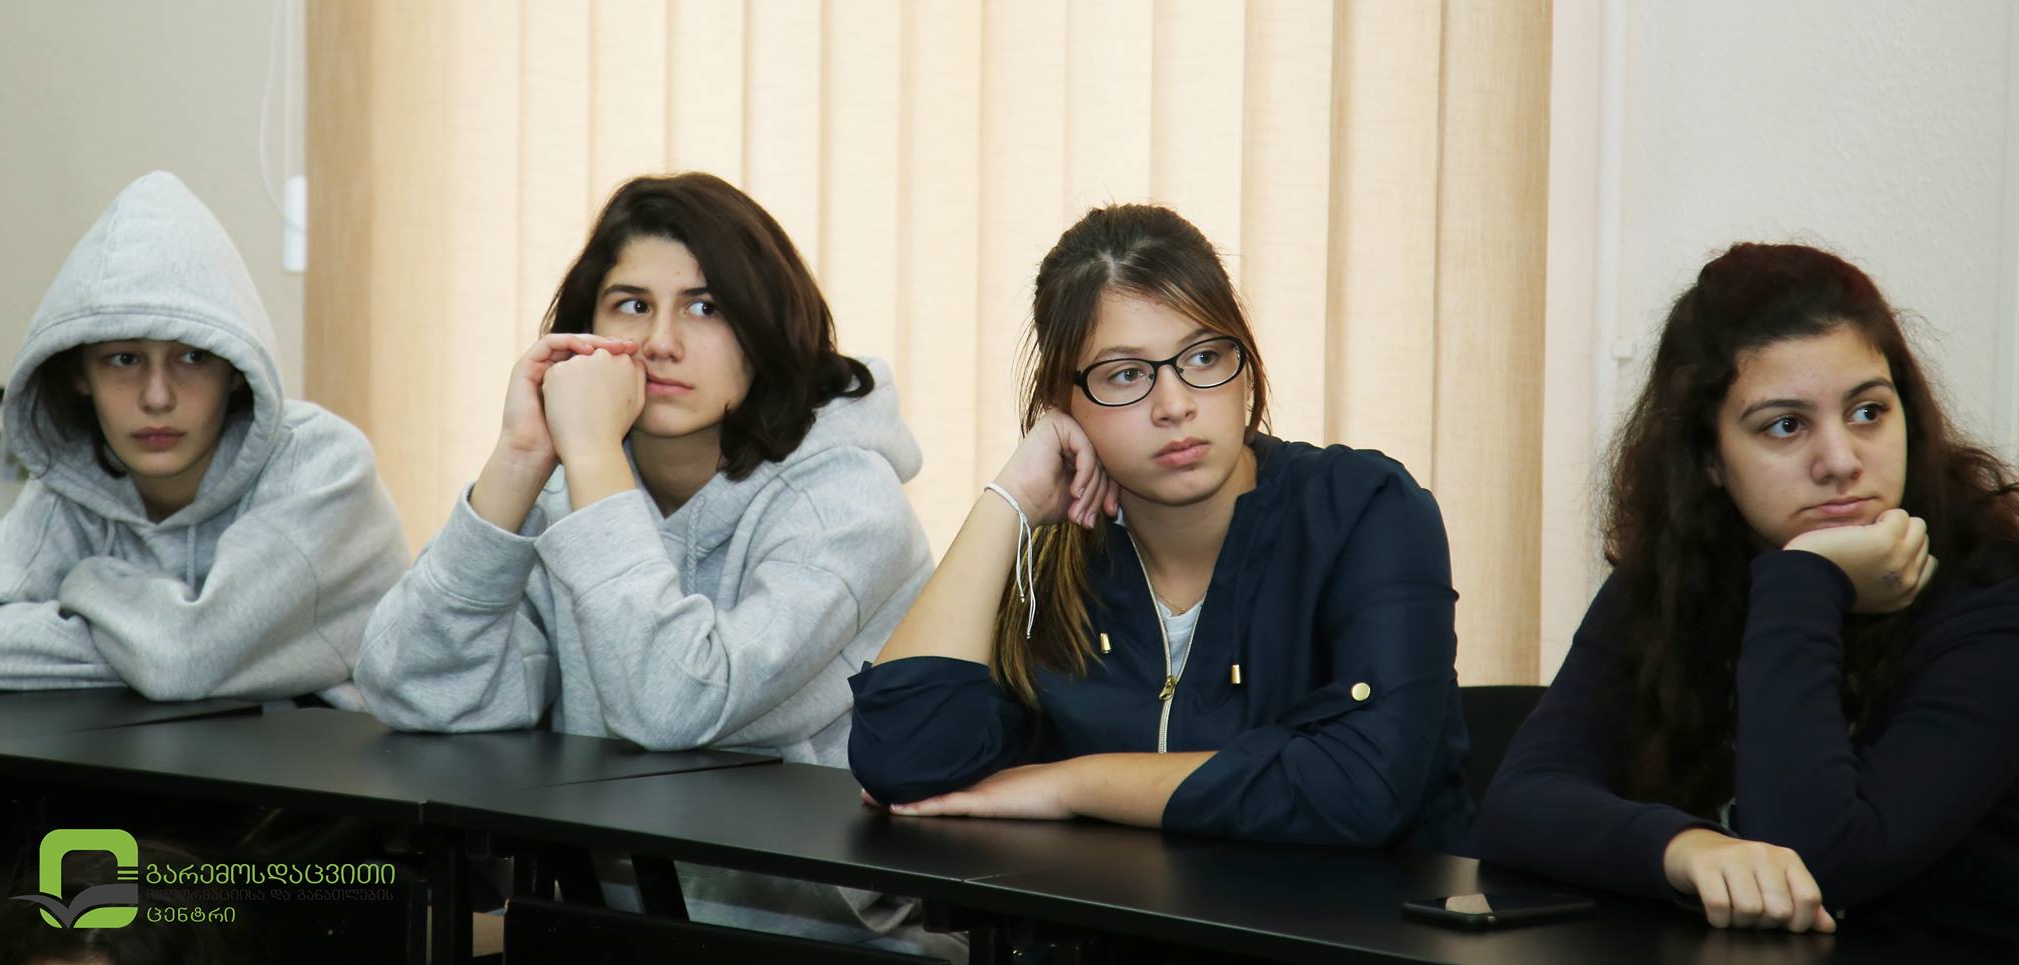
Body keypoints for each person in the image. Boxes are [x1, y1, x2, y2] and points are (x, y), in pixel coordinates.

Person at [354, 172, 941, 950]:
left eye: (706, 307)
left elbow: (675, 703)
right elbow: (410, 684)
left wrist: (592, 456)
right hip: (601, 931)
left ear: (767, 328)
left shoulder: (845, 501)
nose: (662, 341)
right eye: (632, 305)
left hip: (820, 944)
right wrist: (522, 455)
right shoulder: (577, 492)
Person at [848, 203, 1472, 848]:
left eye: (1203, 358)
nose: (1175, 405)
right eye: (1125, 375)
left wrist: (1071, 785)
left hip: (1346, 911)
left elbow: (1363, 785)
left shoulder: (1364, 509)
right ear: (1061, 403)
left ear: (1246, 368)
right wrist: (1007, 502)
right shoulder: (1052, 559)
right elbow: (903, 763)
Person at [1478, 243, 2019, 948]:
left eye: (1868, 412)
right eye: (1785, 425)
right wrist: (1688, 849)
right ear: (1709, 457)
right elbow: (1520, 803)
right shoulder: (1676, 577)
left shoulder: (1993, 592)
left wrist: (1805, 581)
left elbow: (1821, 860)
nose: (1841, 461)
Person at [0, 171, 407, 700]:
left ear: (235, 371)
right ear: (80, 375)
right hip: (134, 753)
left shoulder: (321, 468)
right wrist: (147, 643)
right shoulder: (70, 480)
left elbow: (185, 660)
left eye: (193, 357)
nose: (157, 397)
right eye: (123, 359)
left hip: (320, 751)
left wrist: (88, 581)